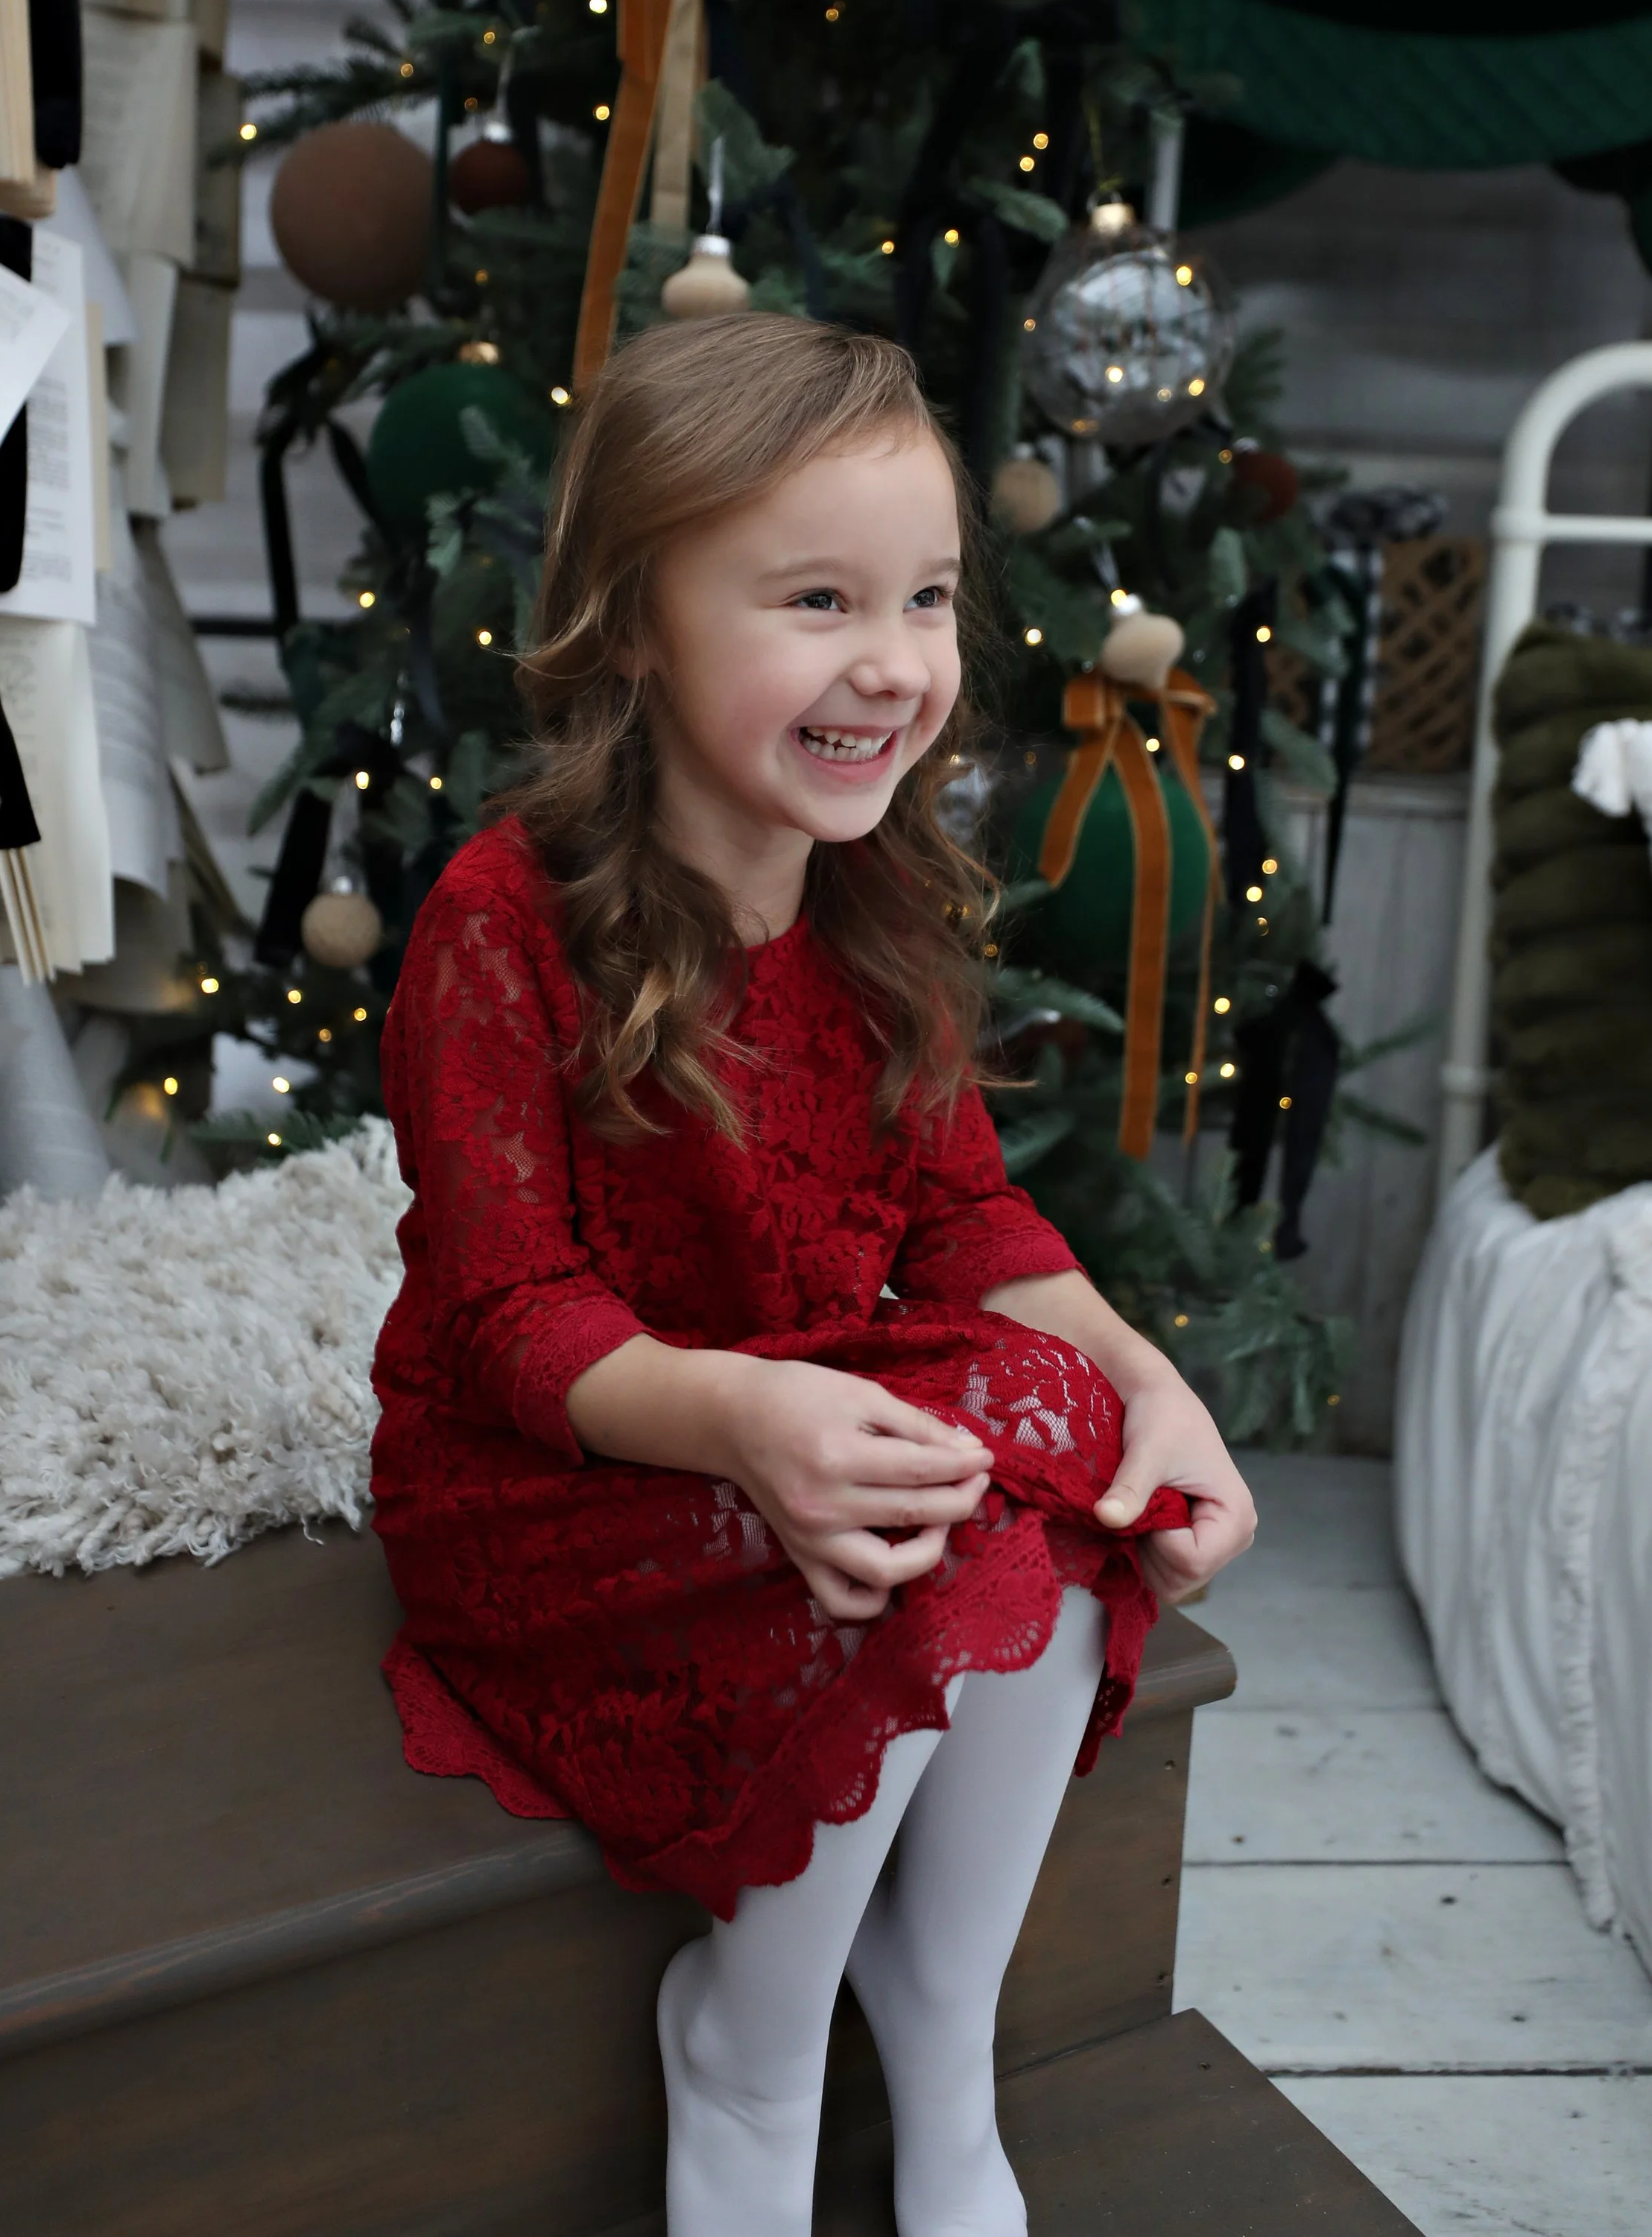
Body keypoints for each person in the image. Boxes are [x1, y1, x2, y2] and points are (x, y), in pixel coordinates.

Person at [371, 314, 1256, 2237]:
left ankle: (940, 2015)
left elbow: (962, 1223)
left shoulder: (880, 897)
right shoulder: (501, 926)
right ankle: (753, 2045)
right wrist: (745, 1417)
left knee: (1058, 1450)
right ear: (634, 624)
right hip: (573, 1470)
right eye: (819, 600)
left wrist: (1150, 1387)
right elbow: (511, 1319)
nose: (897, 662)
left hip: (809, 1405)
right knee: (946, 1526)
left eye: (927, 597)